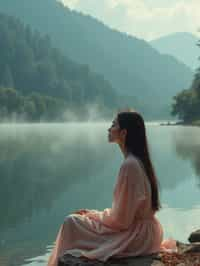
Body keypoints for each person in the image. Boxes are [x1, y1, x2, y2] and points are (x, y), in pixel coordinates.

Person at [47, 110, 177, 266]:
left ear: (123, 133)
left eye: (113, 124)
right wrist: (94, 215)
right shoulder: (138, 161)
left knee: (71, 222)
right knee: (77, 221)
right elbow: (124, 216)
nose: (109, 128)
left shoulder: (130, 165)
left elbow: (121, 221)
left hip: (136, 237)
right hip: (147, 233)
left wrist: (93, 215)